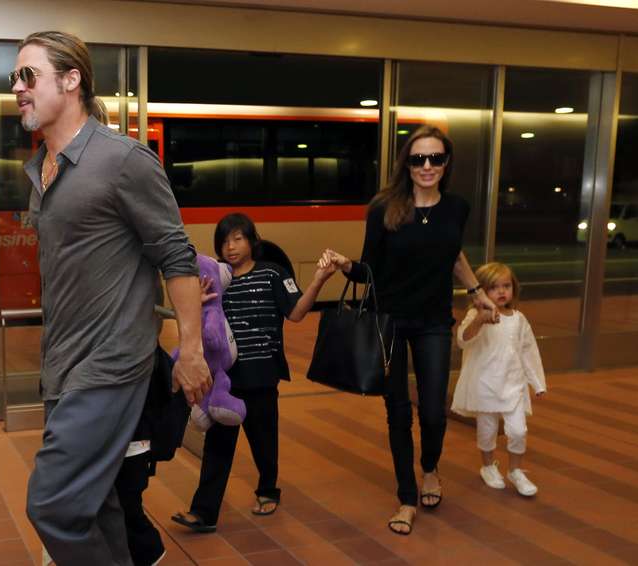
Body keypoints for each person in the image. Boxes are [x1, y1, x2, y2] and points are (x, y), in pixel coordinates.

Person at [12, 31, 211, 566]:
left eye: (28, 75)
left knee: (51, 503)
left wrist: (190, 351)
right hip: (62, 367)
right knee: (94, 505)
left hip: (110, 365)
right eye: (14, 77)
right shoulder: (42, 171)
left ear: (71, 79)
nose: (17, 88)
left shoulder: (123, 160)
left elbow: (177, 254)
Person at [322, 125, 498, 535]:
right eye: (419, 159)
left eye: (435, 158)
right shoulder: (384, 208)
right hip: (390, 321)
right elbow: (369, 271)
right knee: (398, 412)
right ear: (407, 163)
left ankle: (431, 467)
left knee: (435, 410)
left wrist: (476, 292)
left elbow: (452, 254)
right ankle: (406, 497)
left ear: (446, 162)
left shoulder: (457, 208)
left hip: (434, 321)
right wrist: (347, 266)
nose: (427, 166)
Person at [171, 212, 336, 532]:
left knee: (263, 438)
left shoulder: (273, 274)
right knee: (218, 447)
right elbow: (200, 320)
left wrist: (318, 280)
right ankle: (203, 512)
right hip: (225, 380)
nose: (230, 247)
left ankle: (267, 490)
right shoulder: (216, 278)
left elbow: (298, 312)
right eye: (224, 241)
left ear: (252, 241)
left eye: (238, 238)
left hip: (262, 374)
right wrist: (198, 301)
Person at [451, 262, 546, 496]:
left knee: (518, 431)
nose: (502, 292)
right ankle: (488, 466)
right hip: (485, 385)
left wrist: (538, 383)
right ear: (481, 290)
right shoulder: (476, 315)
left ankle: (515, 470)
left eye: (506, 286)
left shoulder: (518, 319)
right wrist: (479, 320)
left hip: (513, 385)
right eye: (494, 287)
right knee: (487, 430)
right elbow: (463, 339)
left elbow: (528, 350)